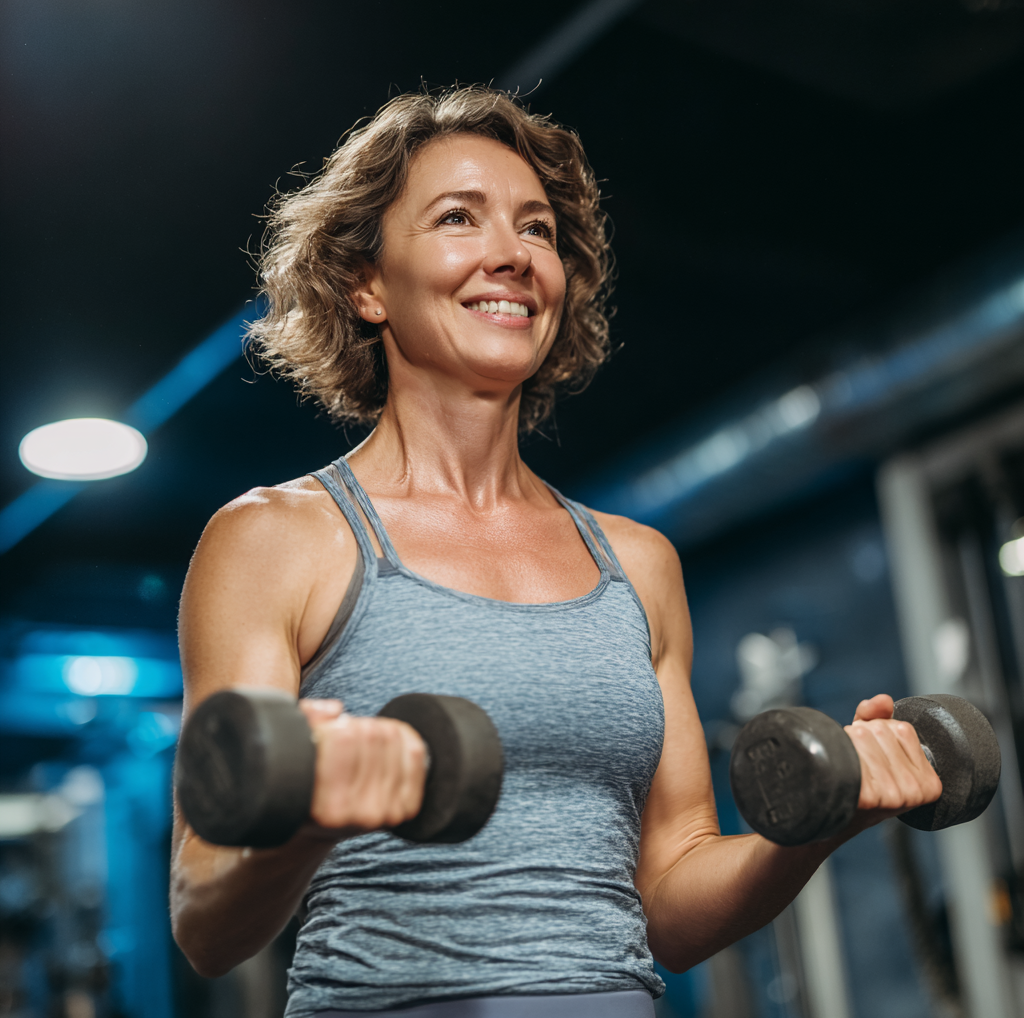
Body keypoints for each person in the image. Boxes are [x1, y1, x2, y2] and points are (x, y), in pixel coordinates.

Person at [170, 86, 941, 1018]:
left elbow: (673, 902)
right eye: (458, 218)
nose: (512, 254)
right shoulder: (276, 539)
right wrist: (308, 824)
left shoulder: (637, 564)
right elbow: (203, 921)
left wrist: (824, 819)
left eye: (535, 228)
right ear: (364, 284)